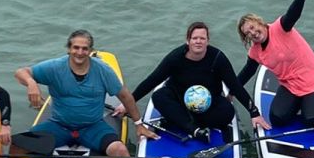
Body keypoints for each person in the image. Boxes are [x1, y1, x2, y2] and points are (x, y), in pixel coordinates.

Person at [12, 29, 152, 158]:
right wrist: (31, 83)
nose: (80, 52)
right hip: (58, 126)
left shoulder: (102, 70)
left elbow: (125, 96)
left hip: (92, 127)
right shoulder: (54, 67)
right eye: (76, 48)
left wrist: (139, 124)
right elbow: (21, 72)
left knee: (120, 151)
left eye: (85, 48)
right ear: (69, 49)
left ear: (90, 51)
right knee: (17, 147)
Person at [113, 21, 268, 142]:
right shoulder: (175, 57)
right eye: (194, 38)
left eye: (202, 38)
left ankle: (182, 122)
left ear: (208, 41)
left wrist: (254, 113)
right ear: (188, 41)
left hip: (209, 103)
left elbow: (235, 85)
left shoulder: (217, 58)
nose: (198, 42)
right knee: (158, 97)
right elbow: (152, 81)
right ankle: (194, 129)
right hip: (179, 99)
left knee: (228, 111)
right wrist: (127, 105)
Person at [236, 0, 314, 129]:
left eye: (252, 27)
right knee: (277, 118)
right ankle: (299, 103)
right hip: (290, 86)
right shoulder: (255, 51)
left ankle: (310, 105)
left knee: (312, 120)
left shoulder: (280, 27)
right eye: (247, 33)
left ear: (259, 22)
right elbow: (247, 72)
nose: (252, 33)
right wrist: (231, 91)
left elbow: (293, 14)